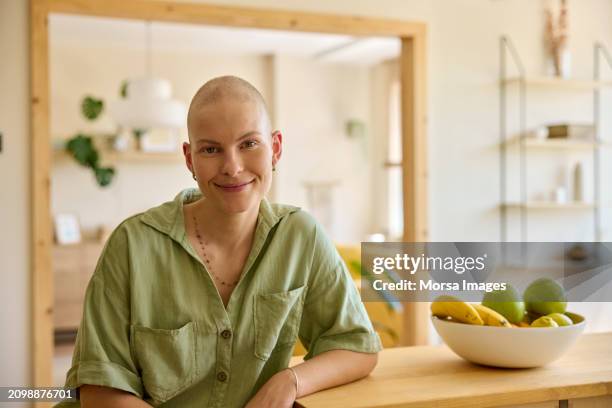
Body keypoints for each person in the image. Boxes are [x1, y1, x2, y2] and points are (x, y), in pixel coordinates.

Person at [56, 75, 381, 408]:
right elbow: (98, 393)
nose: (232, 167)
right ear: (189, 159)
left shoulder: (300, 235)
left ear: (276, 149)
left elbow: (358, 346)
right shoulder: (131, 245)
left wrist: (290, 380)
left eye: (249, 144)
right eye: (211, 149)